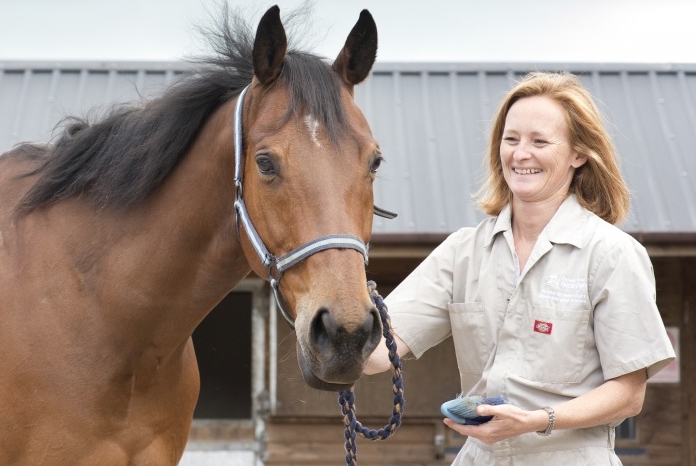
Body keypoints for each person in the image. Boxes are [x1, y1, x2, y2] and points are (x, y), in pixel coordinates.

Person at [365, 71, 676, 465]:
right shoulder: (463, 251)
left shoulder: (612, 254)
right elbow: (377, 354)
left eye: (539, 141)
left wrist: (536, 421)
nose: (520, 154)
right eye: (510, 140)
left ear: (578, 154)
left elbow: (629, 396)